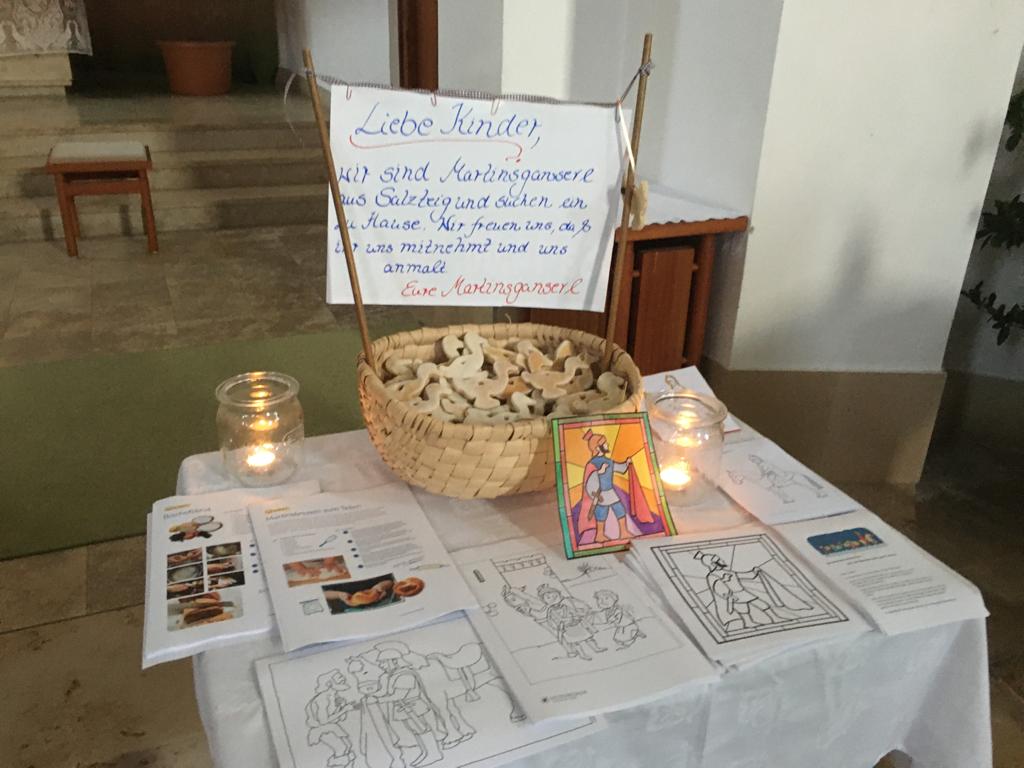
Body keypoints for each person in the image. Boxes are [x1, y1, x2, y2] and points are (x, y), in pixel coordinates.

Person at [695, 551, 812, 630]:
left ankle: (775, 618)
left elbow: (744, 575)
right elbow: (717, 587)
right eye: (718, 560)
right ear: (713, 564)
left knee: (762, 604)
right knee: (745, 610)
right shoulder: (712, 576)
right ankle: (749, 622)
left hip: (743, 592)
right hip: (734, 595)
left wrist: (754, 572)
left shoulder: (729, 572)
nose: (721, 560)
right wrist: (727, 593)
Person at [372, 648, 447, 766]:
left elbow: (399, 695)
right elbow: (390, 693)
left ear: (393, 661)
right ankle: (426, 751)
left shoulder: (405, 675)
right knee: (415, 729)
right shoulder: (394, 675)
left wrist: (377, 700)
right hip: (404, 708)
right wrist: (374, 696)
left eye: (383, 662)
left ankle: (434, 753)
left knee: (421, 728)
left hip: (413, 707)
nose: (381, 665)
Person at [580, 429, 637, 543]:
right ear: (598, 448)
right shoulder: (593, 463)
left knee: (616, 510)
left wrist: (626, 463)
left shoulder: (608, 461)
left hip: (609, 492)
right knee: (604, 512)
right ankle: (602, 535)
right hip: (601, 493)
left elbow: (619, 468)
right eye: (604, 443)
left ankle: (622, 532)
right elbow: (589, 480)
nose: (607, 445)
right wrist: (599, 472)